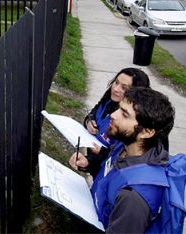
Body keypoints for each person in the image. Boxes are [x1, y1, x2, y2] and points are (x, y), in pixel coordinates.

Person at [69, 87, 175, 233]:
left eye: (125, 114)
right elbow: (110, 174)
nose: (113, 115)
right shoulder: (125, 144)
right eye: (119, 108)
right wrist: (89, 163)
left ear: (147, 132)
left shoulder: (134, 198)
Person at [83, 67, 150, 177]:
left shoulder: (133, 123)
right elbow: (94, 111)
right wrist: (89, 121)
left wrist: (102, 153)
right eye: (116, 82)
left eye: (124, 88)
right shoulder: (109, 98)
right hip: (93, 165)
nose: (116, 89)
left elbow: (125, 157)